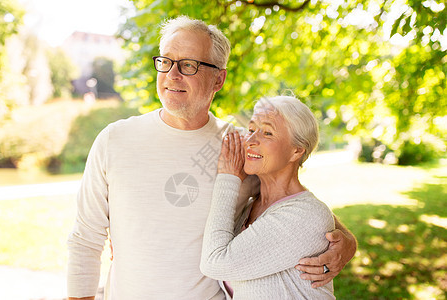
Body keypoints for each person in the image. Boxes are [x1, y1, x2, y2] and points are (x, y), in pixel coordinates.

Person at [67, 16, 357, 300]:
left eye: (188, 65)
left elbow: (295, 203)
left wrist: (346, 242)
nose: (172, 75)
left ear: (218, 78)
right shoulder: (115, 139)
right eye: (165, 61)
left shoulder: (242, 147)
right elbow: (85, 238)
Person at [201, 96, 337, 299]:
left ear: (296, 151)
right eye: (251, 129)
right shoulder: (250, 208)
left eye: (267, 132)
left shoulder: (306, 215)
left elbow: (214, 263)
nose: (251, 140)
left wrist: (228, 177)